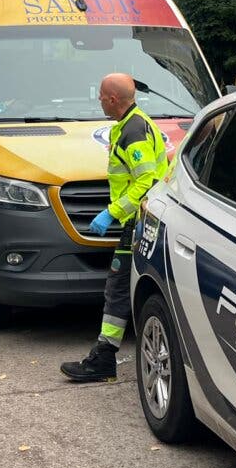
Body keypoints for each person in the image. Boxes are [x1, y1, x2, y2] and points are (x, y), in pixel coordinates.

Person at [60, 73, 170, 382]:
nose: (98, 101)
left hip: (140, 220)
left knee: (118, 288)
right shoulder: (130, 125)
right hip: (140, 219)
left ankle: (104, 359)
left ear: (112, 100)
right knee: (121, 288)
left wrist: (112, 212)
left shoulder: (133, 131)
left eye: (100, 97)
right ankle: (105, 355)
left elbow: (146, 180)